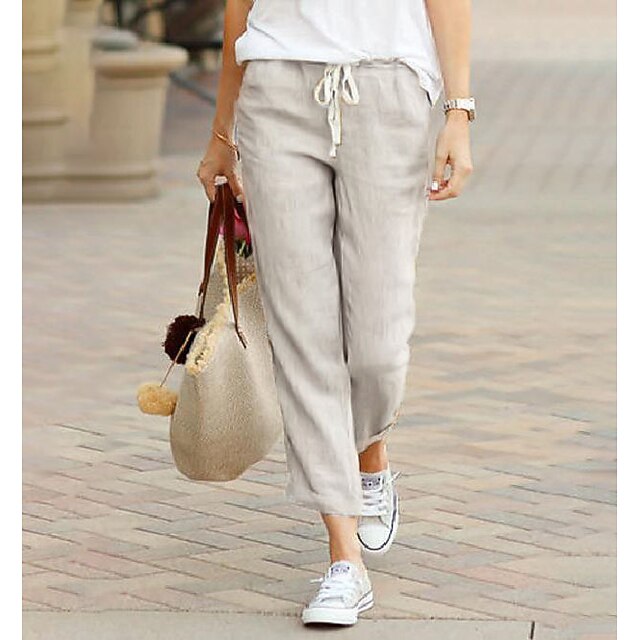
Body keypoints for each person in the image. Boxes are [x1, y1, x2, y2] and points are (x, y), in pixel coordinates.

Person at [197, 0, 474, 627]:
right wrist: (222, 132)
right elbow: (239, 7)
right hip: (275, 88)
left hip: (387, 85)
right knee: (303, 330)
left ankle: (369, 448)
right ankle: (344, 556)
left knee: (378, 346)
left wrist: (459, 111)